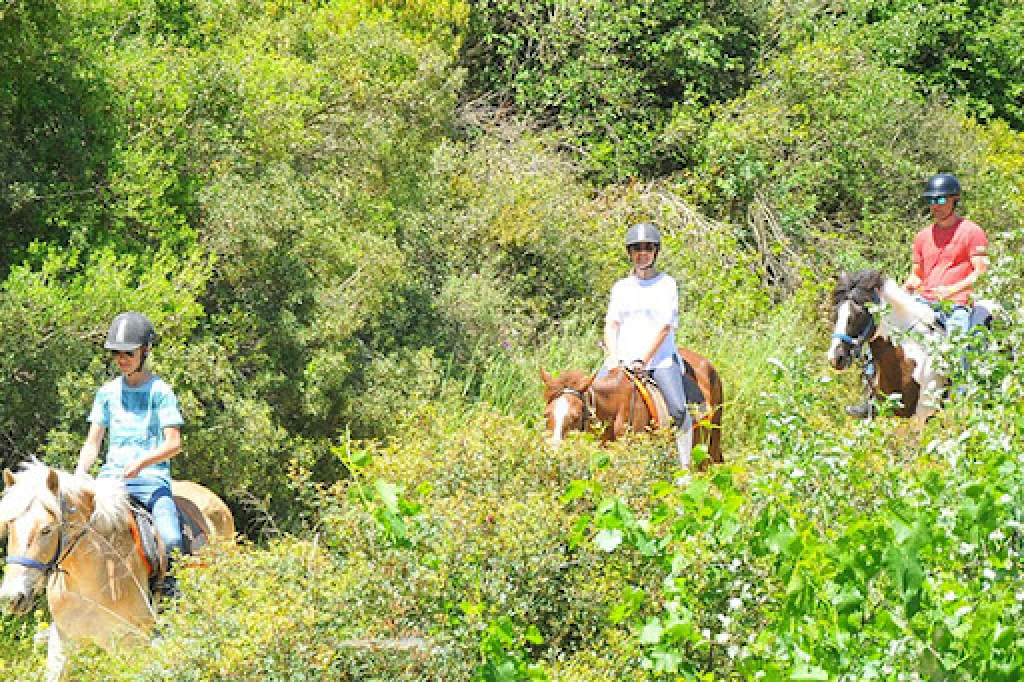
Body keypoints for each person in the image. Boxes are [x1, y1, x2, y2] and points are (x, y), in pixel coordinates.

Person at [846, 172, 990, 418]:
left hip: (956, 305)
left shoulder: (971, 232)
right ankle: (870, 399)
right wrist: (905, 290)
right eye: (932, 200)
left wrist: (953, 290)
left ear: (955, 200)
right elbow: (917, 274)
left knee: (961, 347)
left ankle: (965, 401)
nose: (935, 205)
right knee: (880, 337)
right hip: (924, 301)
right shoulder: (923, 236)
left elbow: (981, 271)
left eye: (941, 200)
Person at [75, 311, 184, 598]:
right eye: (116, 354)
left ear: (146, 351)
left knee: (172, 539)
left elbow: (174, 443)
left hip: (151, 480)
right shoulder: (107, 393)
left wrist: (141, 462)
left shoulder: (161, 391)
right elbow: (92, 443)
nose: (121, 359)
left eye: (128, 353)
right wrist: (81, 471)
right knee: (71, 531)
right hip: (111, 481)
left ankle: (169, 604)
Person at [601, 222, 694, 468]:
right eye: (637, 249)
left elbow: (665, 326)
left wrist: (644, 359)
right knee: (591, 399)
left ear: (655, 252)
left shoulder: (666, 284)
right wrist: (614, 358)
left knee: (678, 409)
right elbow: (611, 324)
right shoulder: (621, 288)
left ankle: (684, 468)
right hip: (622, 360)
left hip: (658, 360)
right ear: (630, 253)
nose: (642, 254)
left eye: (648, 248)